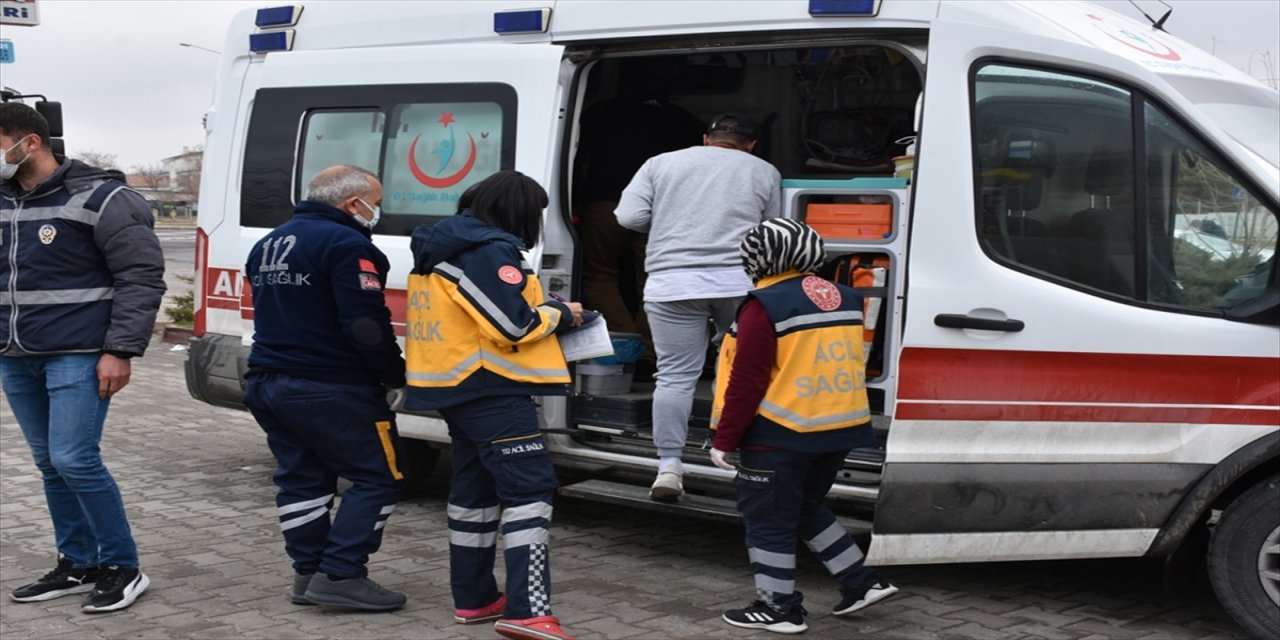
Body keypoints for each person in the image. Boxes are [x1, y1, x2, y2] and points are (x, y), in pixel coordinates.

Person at [0, 102, 165, 612]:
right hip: (14, 354)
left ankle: (122, 566)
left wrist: (120, 350)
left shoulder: (104, 197)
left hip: (78, 353)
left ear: (28, 143)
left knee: (75, 458)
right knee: (51, 464)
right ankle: (78, 561)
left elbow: (140, 276)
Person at [403, 170, 581, 640]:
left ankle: (476, 597)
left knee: (474, 494)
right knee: (530, 491)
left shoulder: (444, 247)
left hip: (455, 388)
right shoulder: (488, 251)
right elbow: (513, 326)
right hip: (492, 390)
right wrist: (564, 313)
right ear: (517, 210)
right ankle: (527, 611)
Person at [709, 219, 898, 634]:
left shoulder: (766, 304)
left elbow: (749, 378)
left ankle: (779, 608)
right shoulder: (846, 296)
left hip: (780, 431)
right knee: (803, 507)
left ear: (761, 256)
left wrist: (725, 438)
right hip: (838, 427)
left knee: (767, 520)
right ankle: (862, 582)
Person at [242, 164, 408, 611]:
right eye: (377, 201)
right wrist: (394, 375)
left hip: (268, 381)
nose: (379, 210)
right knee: (379, 477)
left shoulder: (268, 243)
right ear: (355, 203)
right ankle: (342, 574)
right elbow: (365, 324)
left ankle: (308, 575)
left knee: (303, 482)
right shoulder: (347, 244)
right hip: (330, 385)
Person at [614, 112, 781, 501]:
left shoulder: (660, 163)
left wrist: (673, 220)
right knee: (744, 369)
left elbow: (629, 216)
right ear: (751, 144)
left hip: (672, 283)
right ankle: (735, 452)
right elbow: (773, 228)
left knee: (674, 376)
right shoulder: (764, 171)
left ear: (707, 138)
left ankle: (669, 467)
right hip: (737, 284)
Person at [574, 59, 704, 342]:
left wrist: (578, 200)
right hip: (662, 211)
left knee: (599, 275)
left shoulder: (601, 111)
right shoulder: (684, 120)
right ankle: (648, 349)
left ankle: (623, 337)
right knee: (654, 281)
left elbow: (578, 158)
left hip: (606, 205)